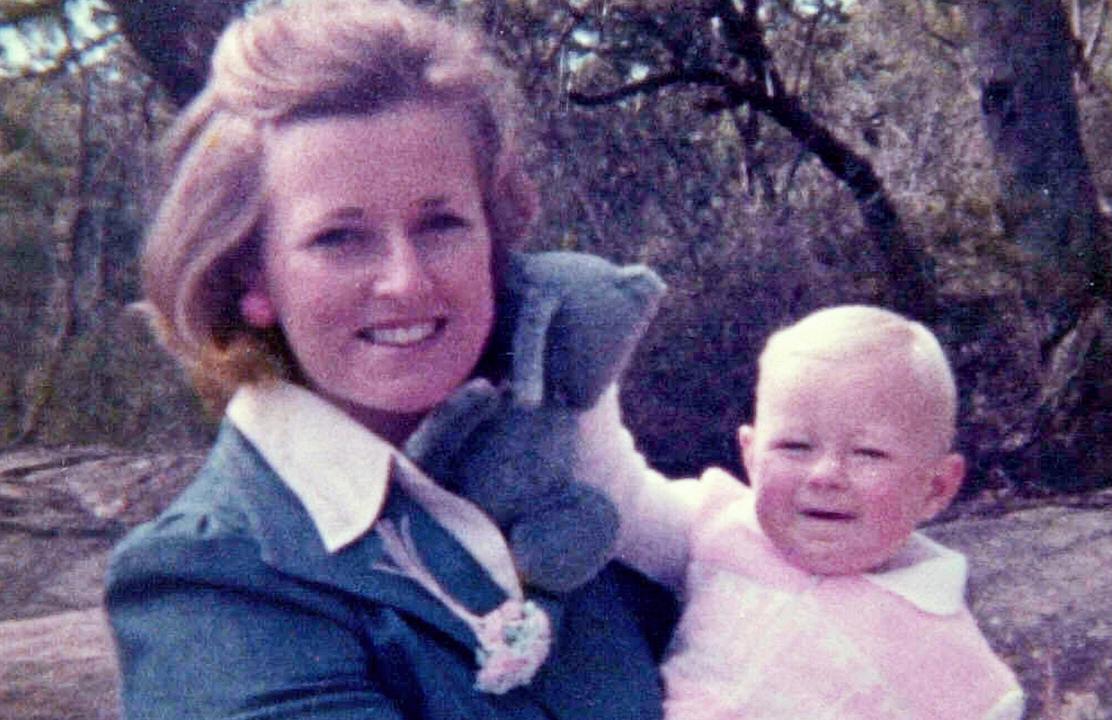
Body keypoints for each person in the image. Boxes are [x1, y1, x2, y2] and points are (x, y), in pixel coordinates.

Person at [105, 1, 687, 718]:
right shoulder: (209, 584)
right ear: (249, 279)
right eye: (339, 239)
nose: (406, 280)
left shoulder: (559, 465)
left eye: (441, 223)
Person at [659, 305, 1026, 720]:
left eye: (868, 453)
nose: (825, 475)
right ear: (750, 456)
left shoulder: (949, 660)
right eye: (794, 446)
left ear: (936, 487)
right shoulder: (713, 522)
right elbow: (608, 481)